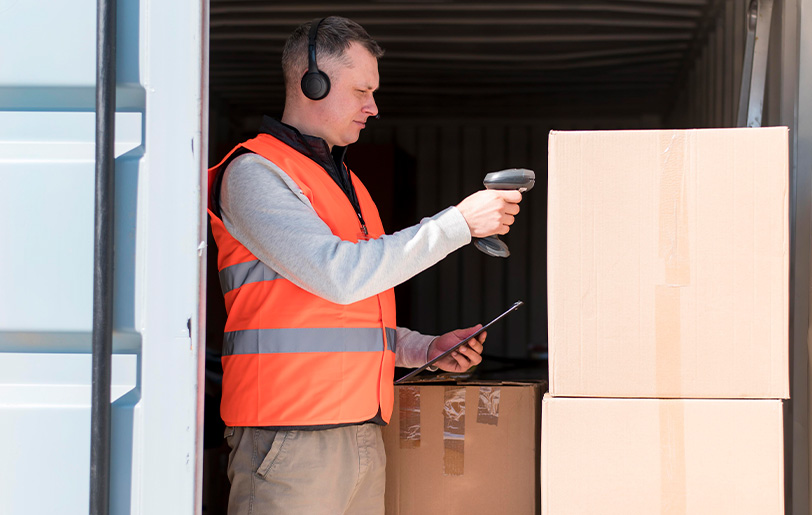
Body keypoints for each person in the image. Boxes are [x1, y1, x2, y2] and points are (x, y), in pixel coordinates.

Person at [207, 16, 523, 515]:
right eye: (361, 91)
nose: (373, 108)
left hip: (360, 431)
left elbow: (343, 317)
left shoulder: (344, 184)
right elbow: (340, 275)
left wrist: (423, 349)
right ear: (313, 83)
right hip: (288, 441)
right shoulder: (256, 174)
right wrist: (459, 223)